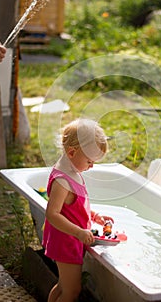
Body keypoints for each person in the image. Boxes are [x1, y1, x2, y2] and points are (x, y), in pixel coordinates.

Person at [42, 118, 114, 302]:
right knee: (72, 291)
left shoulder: (73, 173)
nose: (92, 166)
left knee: (62, 286)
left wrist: (94, 216)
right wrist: (79, 232)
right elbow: (52, 214)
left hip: (70, 238)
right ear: (72, 152)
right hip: (65, 241)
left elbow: (74, 208)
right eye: (89, 160)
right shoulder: (62, 181)